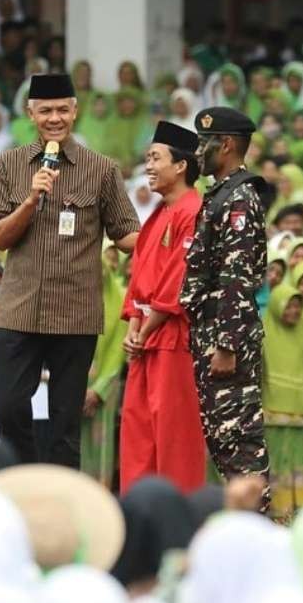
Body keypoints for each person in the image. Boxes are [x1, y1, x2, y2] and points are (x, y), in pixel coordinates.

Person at [0, 74, 138, 468]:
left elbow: (126, 233)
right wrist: (31, 199)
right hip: (20, 308)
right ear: (31, 114)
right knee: (9, 407)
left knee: (66, 424)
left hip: (76, 311)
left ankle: (62, 502)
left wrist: (171, 231)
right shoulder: (7, 165)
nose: (55, 118)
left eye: (62, 110)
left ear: (75, 112)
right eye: (46, 110)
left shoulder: (101, 169)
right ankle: (24, 480)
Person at [178, 106, 268, 505]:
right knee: (222, 441)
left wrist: (227, 344)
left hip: (225, 338)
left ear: (226, 145)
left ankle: (256, 526)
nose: (198, 152)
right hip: (211, 332)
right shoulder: (221, 194)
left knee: (239, 443)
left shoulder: (238, 199)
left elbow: (236, 276)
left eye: (204, 143)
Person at [119, 121, 206, 495]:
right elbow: (138, 277)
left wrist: (145, 328)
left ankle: (178, 523)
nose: (149, 167)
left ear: (181, 165)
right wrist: (133, 327)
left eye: (156, 158)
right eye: (146, 159)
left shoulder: (193, 210)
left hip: (173, 339)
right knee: (139, 439)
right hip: (145, 340)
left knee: (174, 440)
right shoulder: (157, 215)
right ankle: (139, 518)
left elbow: (178, 281)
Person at [263, 284, 303, 515]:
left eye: (297, 306)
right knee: (277, 464)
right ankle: (278, 512)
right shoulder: (264, 330)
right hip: (272, 413)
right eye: (288, 305)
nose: (294, 311)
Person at [81, 241, 127, 487]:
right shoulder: (72, 299)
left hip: (103, 391)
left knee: (100, 448)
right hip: (72, 386)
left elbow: (118, 353)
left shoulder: (118, 302)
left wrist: (97, 391)